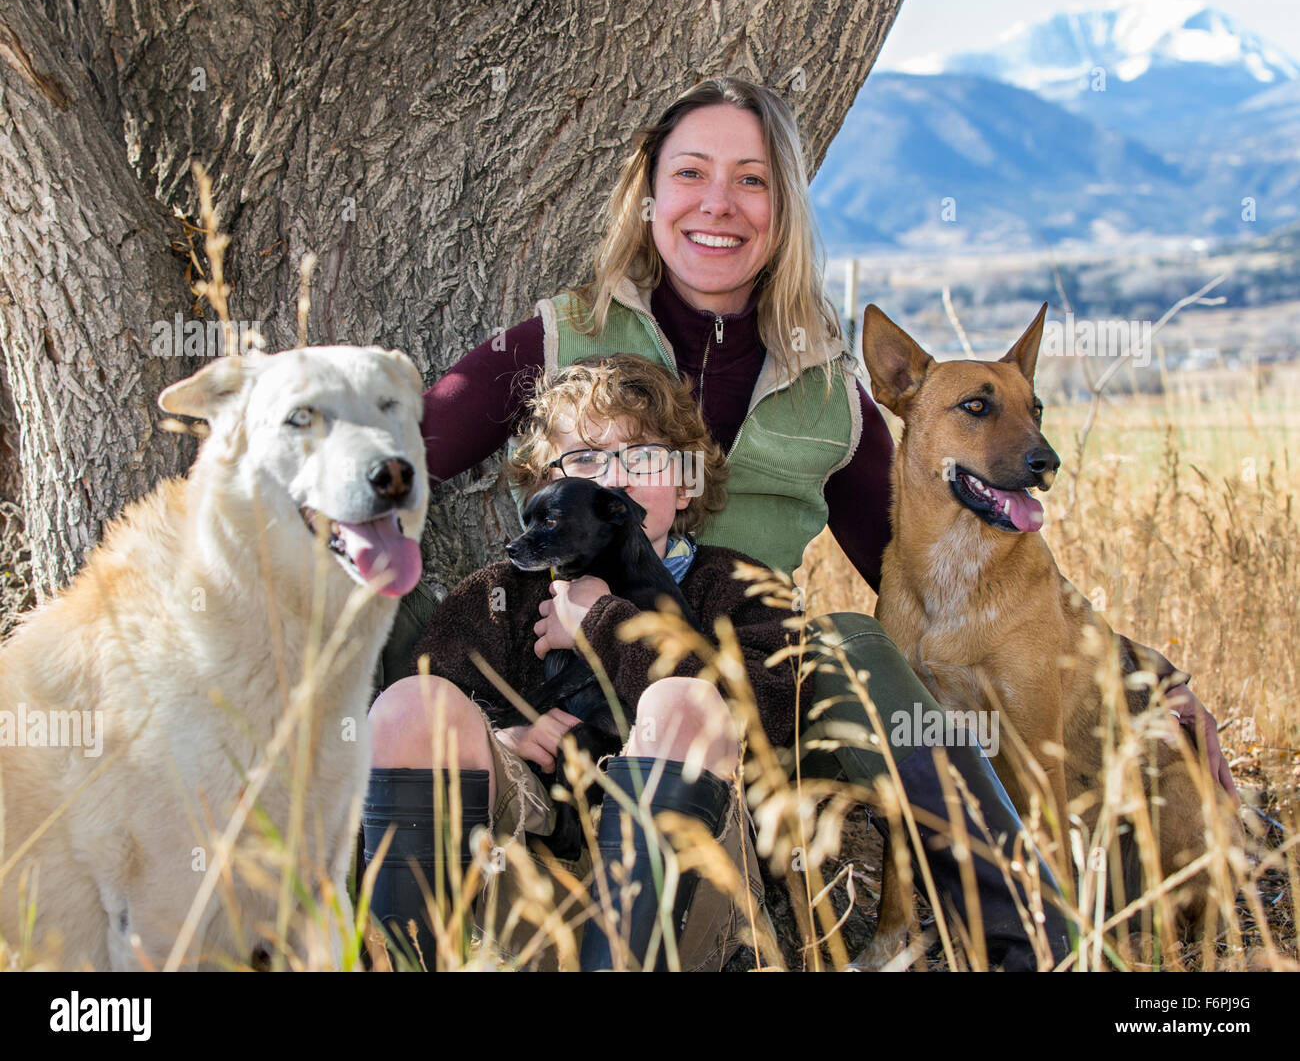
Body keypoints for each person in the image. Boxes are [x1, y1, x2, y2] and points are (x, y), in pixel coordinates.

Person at [380, 76, 1237, 969]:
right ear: (647, 194)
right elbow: (400, 462)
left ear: (785, 208)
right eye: (692, 174)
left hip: (740, 685)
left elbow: (952, 563)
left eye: (752, 180)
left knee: (860, 643)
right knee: (387, 632)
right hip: (555, 687)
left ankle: (1027, 938)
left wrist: (1147, 675)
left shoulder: (828, 386)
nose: (719, 203)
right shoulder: (563, 339)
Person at [365, 355, 794, 970]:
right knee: (411, 707)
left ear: (685, 483)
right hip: (533, 886)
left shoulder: (737, 586)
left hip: (685, 892)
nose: (614, 481)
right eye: (588, 460)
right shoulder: (502, 595)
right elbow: (440, 686)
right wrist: (505, 734)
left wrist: (603, 626)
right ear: (547, 487)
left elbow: (769, 718)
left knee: (683, 702)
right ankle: (404, 959)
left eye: (642, 457)